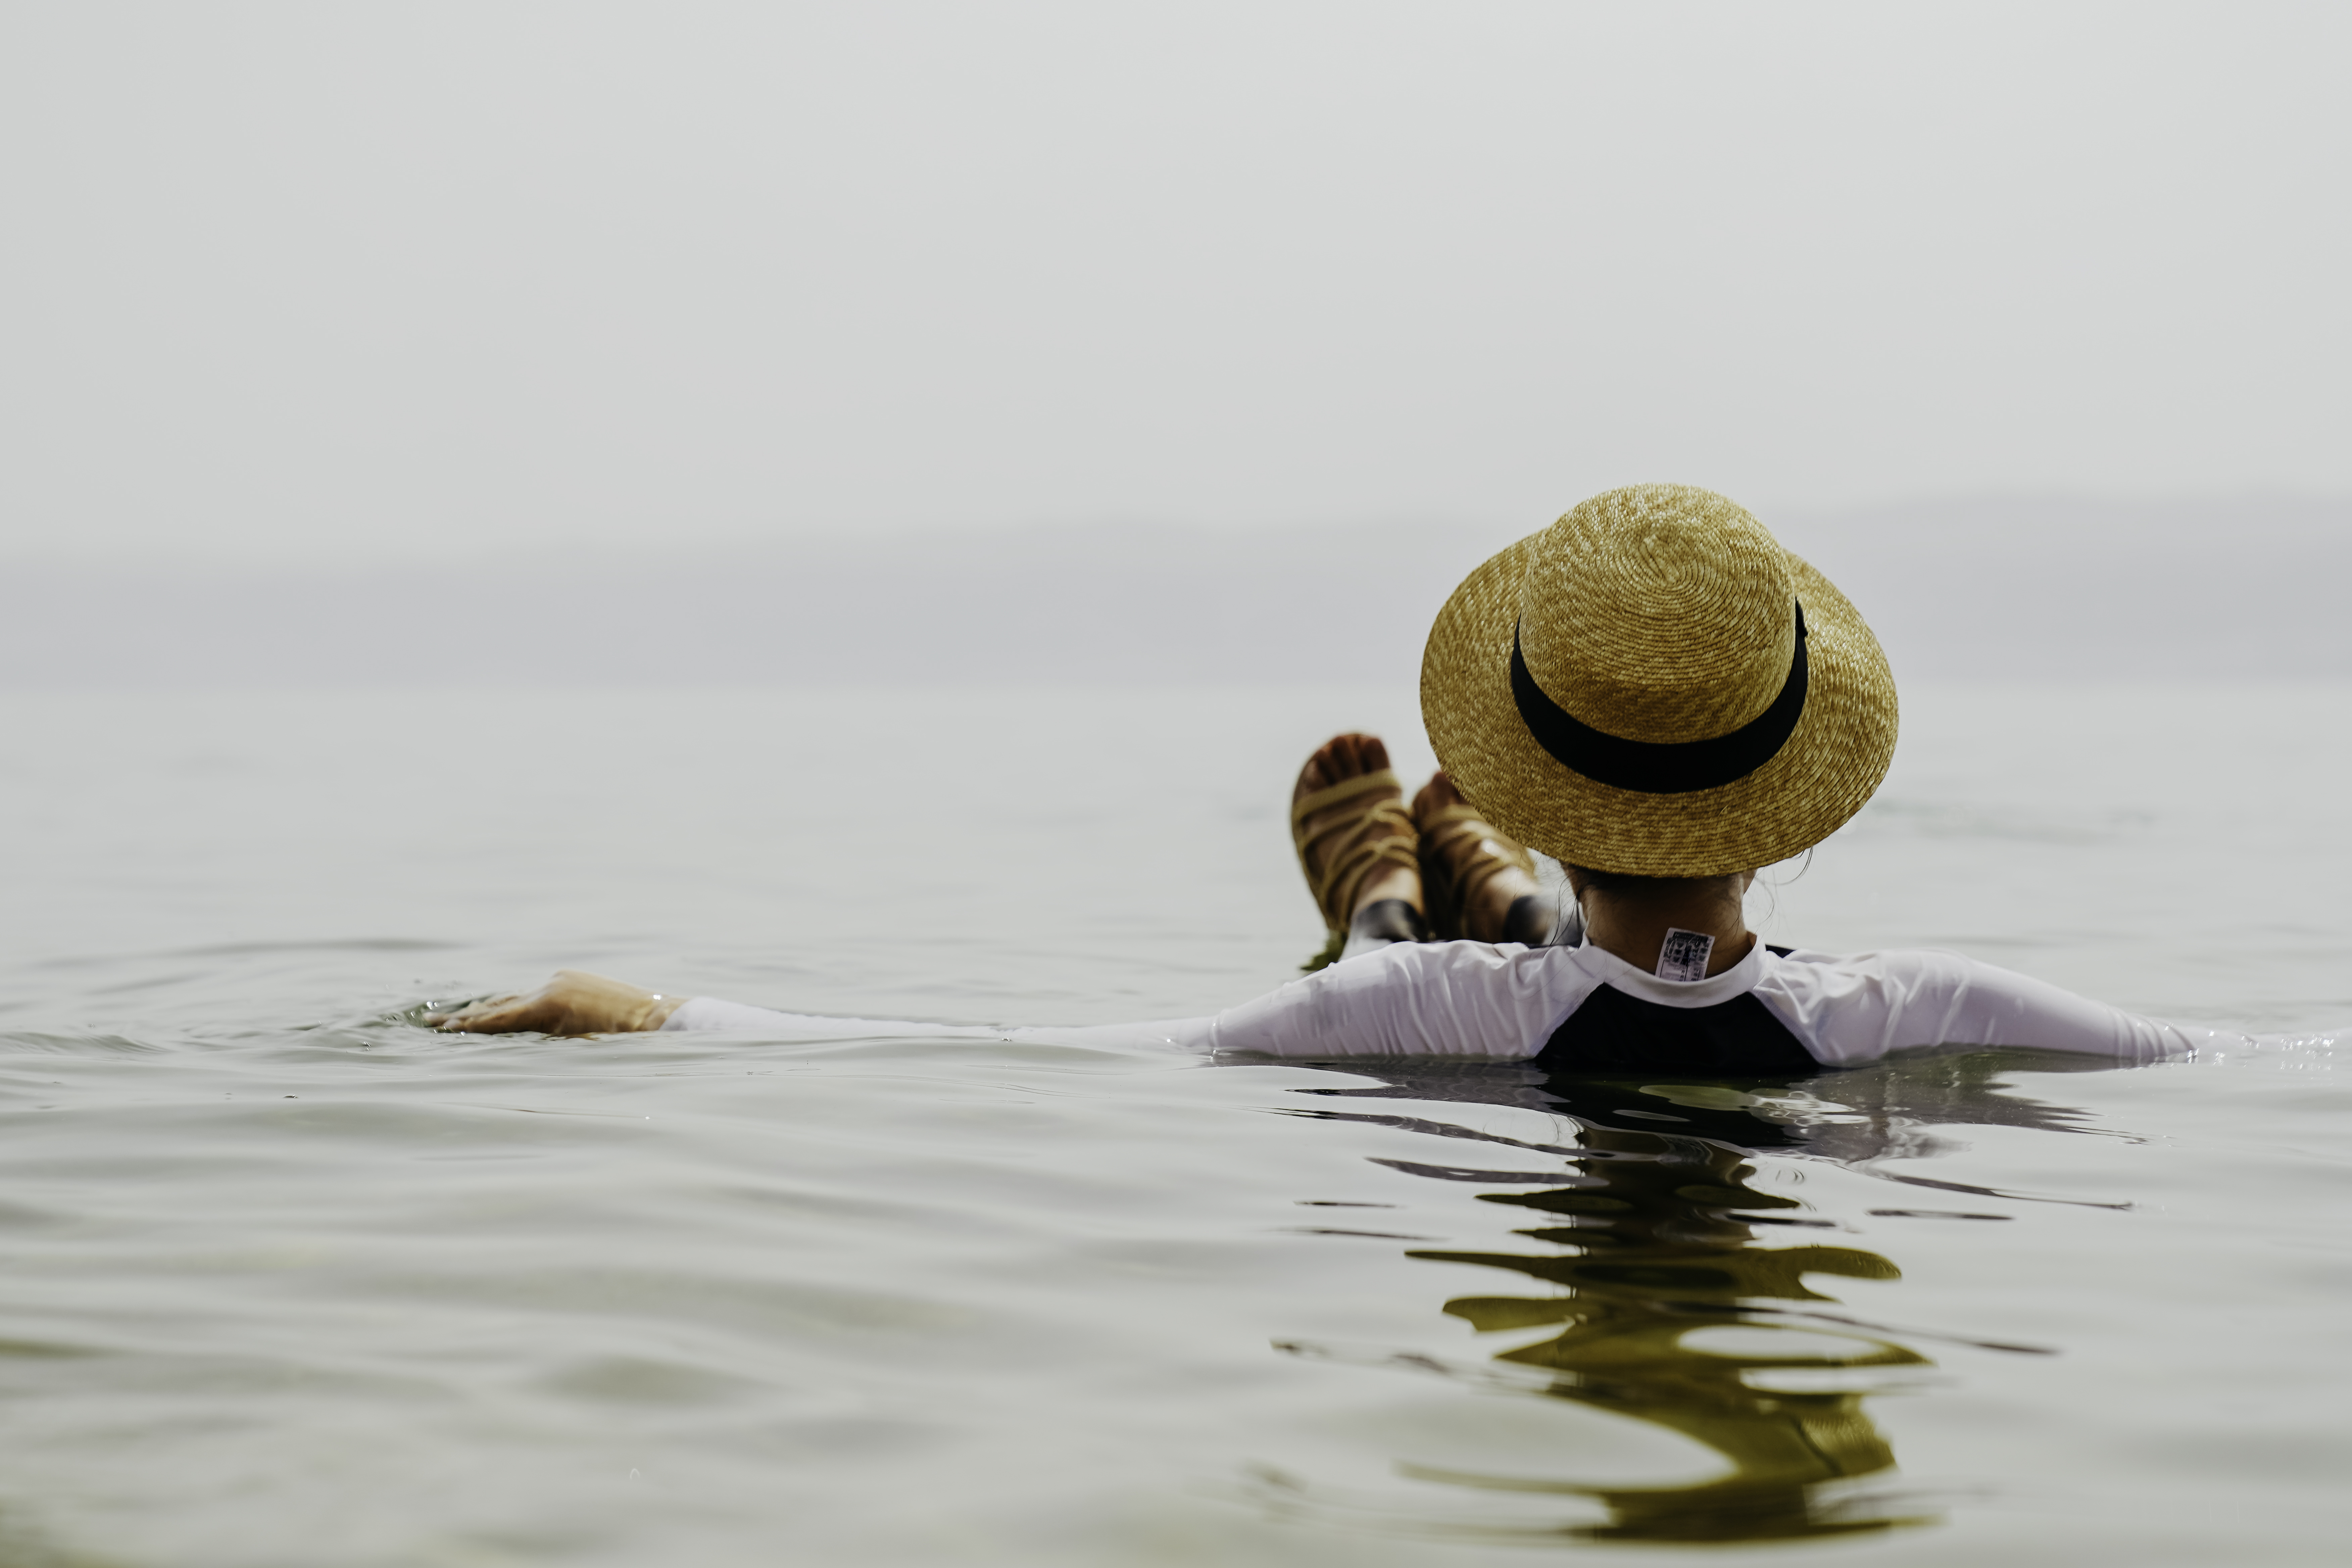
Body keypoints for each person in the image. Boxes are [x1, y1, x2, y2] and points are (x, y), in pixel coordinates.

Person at [431, 484, 2224, 1070]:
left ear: (1552, 787)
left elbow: (1047, 1058)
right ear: (1788, 797)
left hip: (1442, 1018)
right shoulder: (1918, 1015)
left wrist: (655, 1014)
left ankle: (1398, 893)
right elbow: (2243, 1058)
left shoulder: (1420, 1013)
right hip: (1611, 996)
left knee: (1388, 991)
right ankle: (1457, 880)